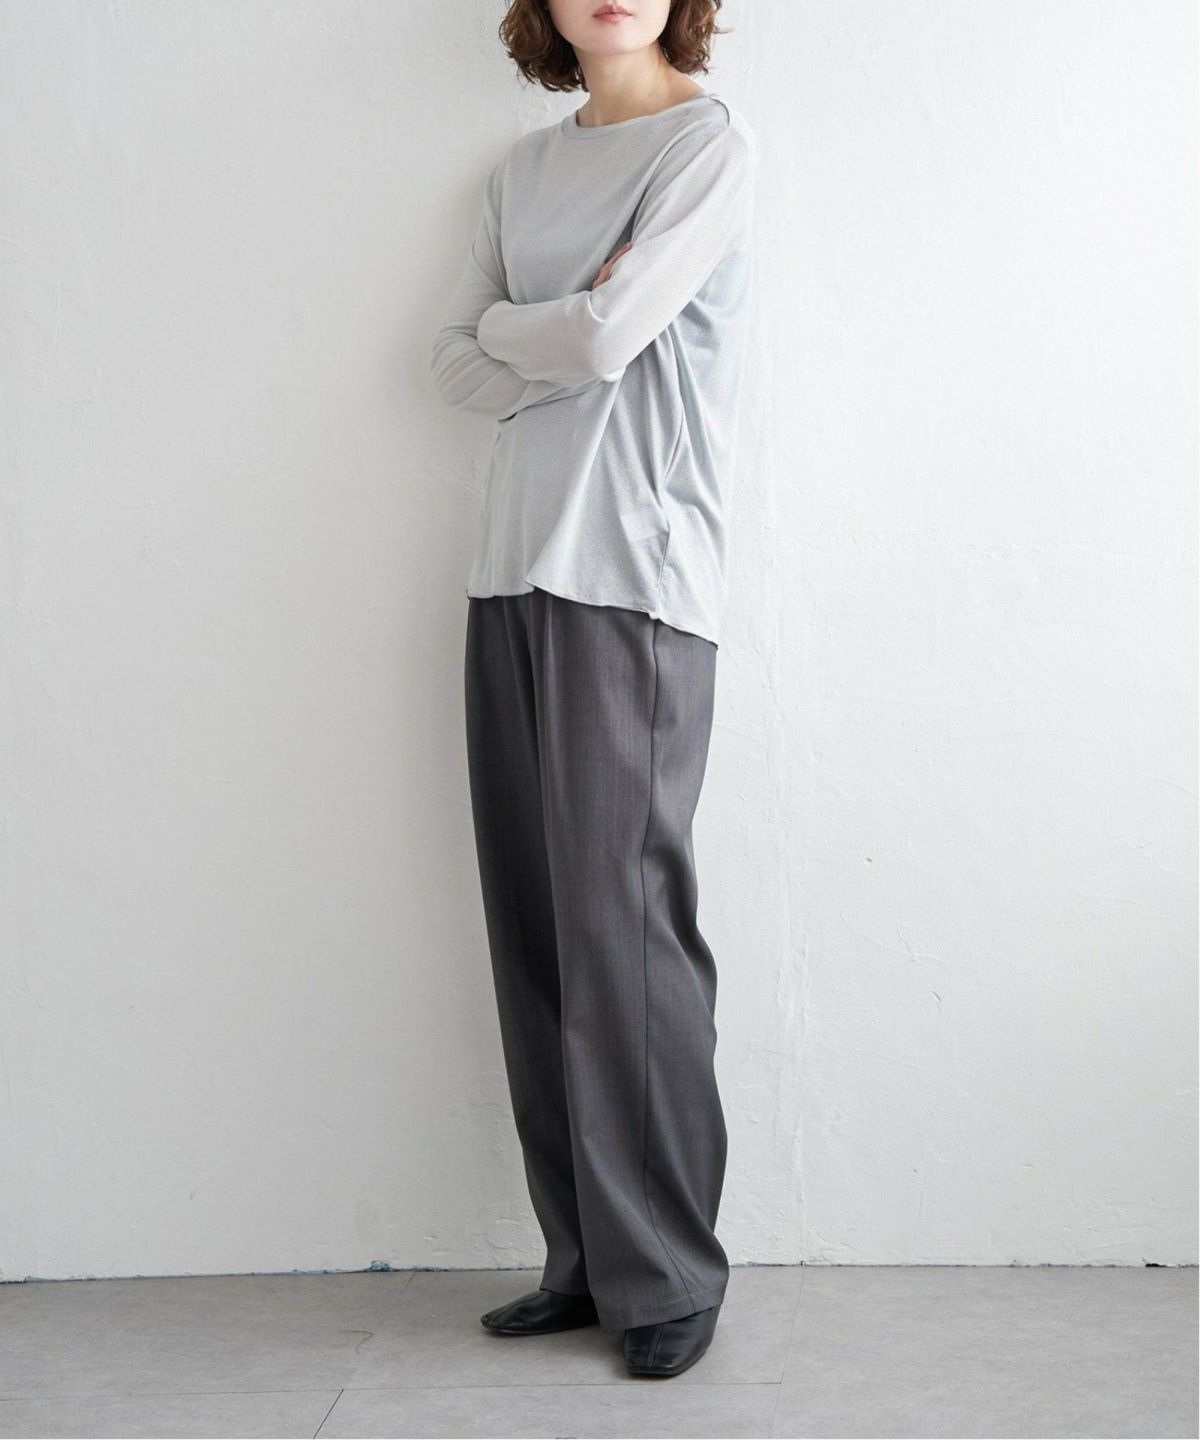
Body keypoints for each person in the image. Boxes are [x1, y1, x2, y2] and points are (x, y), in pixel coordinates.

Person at [429, 0, 756, 1379]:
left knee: (626, 928)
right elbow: (448, 363)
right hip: (508, 569)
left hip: (634, 574)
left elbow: (610, 340)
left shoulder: (703, 146)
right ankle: (581, 1255)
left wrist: (537, 330)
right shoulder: (523, 172)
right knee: (538, 930)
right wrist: (545, 328)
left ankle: (666, 1269)